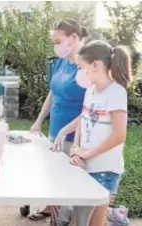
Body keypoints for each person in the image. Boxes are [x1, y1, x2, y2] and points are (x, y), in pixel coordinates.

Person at [27, 19, 89, 223]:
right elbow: (52, 93)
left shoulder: (88, 66)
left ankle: (62, 219)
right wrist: (39, 121)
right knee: (53, 175)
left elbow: (93, 106)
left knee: (68, 184)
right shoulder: (60, 62)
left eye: (58, 41)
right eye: (53, 41)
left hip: (75, 137)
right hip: (55, 131)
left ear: (74, 38)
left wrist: (70, 132)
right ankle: (51, 209)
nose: (55, 45)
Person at [69, 40, 132, 226]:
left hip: (105, 169)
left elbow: (120, 135)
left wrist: (87, 154)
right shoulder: (90, 90)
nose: (79, 73)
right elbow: (84, 118)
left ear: (95, 65)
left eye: (81, 68)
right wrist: (76, 148)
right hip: (87, 164)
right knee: (81, 219)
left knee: (95, 222)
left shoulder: (116, 93)